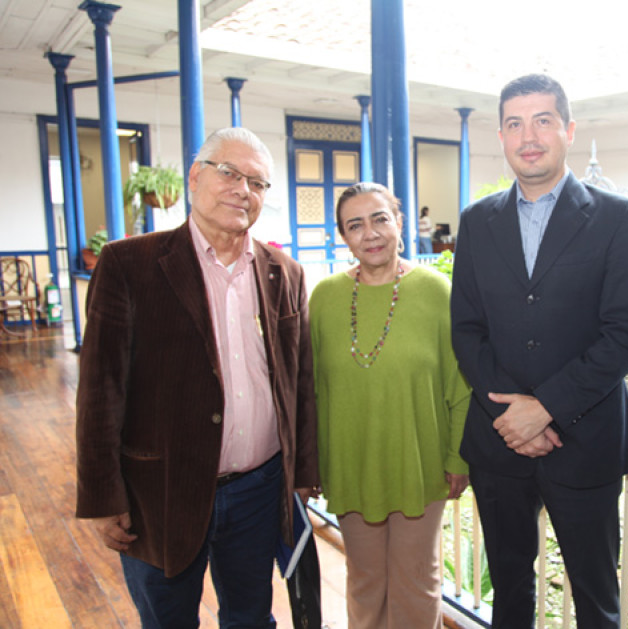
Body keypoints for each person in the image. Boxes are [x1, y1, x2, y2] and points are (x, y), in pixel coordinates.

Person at [76, 127, 318, 628]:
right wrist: (103, 495)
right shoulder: (130, 264)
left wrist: (304, 475)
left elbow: (301, 384)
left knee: (251, 617)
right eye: (229, 172)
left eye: (257, 183)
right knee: (168, 620)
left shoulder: (284, 272)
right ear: (194, 176)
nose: (242, 190)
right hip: (159, 491)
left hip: (259, 487)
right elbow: (101, 390)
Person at [450, 74, 628, 628]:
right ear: (502, 135)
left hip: (585, 440)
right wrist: (513, 415)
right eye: (515, 123)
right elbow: (466, 330)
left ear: (567, 129)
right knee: (509, 590)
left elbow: (626, 330)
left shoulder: (613, 216)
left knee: (595, 594)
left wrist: (546, 407)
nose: (528, 135)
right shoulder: (476, 221)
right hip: (500, 443)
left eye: (542, 120)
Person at [309, 182, 470, 628]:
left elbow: (461, 385)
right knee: (363, 580)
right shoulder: (324, 297)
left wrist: (458, 457)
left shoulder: (438, 292)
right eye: (355, 225)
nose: (371, 233)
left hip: (419, 465)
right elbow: (312, 389)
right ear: (344, 237)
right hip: (350, 464)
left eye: (380, 218)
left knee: (416, 583)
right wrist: (313, 463)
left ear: (399, 222)